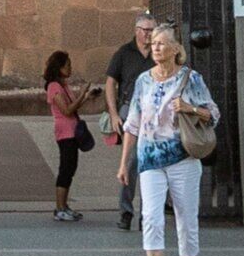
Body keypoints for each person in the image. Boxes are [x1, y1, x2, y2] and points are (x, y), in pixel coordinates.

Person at [122, 20, 220, 256]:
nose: (156, 48)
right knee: (151, 218)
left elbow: (213, 114)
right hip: (150, 159)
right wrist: (124, 162)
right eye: (153, 44)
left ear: (176, 49)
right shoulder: (143, 81)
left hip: (182, 159)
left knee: (186, 220)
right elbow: (133, 124)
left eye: (161, 43)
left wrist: (189, 108)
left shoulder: (191, 79)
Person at [98, 15, 159, 229]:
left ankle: (146, 214)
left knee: (149, 164)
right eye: (144, 29)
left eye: (152, 30)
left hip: (154, 113)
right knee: (132, 162)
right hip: (130, 110)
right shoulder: (124, 53)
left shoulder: (159, 52)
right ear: (136, 30)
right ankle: (126, 211)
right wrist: (114, 114)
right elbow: (110, 82)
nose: (148, 34)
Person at [41, 50, 91, 222]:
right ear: (60, 67)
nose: (70, 68)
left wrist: (86, 97)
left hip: (72, 130)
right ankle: (59, 207)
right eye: (68, 65)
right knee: (65, 168)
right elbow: (67, 110)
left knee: (70, 168)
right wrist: (82, 94)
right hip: (65, 132)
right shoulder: (54, 87)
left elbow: (73, 107)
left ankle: (64, 205)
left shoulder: (63, 85)